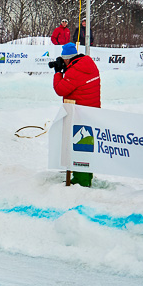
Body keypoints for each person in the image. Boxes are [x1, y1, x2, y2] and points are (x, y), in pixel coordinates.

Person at [52, 42, 101, 187]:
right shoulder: (88, 64)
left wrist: (57, 73)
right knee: (86, 145)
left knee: (79, 146)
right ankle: (85, 175)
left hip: (79, 112)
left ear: (67, 59)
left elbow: (60, 90)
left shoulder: (75, 71)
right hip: (91, 110)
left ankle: (81, 180)